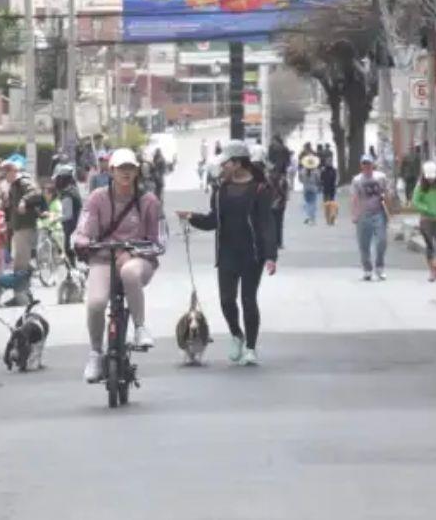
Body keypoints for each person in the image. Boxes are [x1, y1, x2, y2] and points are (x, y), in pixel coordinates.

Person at [177, 140, 278, 366]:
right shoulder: (221, 190)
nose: (223, 168)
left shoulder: (260, 189)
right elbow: (214, 220)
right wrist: (191, 217)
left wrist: (270, 255)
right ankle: (236, 334)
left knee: (248, 300)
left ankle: (250, 347)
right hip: (227, 253)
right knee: (226, 300)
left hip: (253, 255)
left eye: (226, 163)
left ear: (238, 162)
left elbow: (266, 224)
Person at [72, 148, 165, 382]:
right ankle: (95, 353)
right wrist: (82, 242)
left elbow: (160, 241)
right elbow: (83, 230)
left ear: (137, 171)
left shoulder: (149, 201)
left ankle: (140, 327)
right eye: (121, 168)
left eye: (130, 168)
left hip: (138, 260)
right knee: (95, 303)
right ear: (111, 171)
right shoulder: (97, 198)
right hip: (103, 259)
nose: (126, 172)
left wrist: (132, 251)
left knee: (129, 272)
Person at [1, 156, 45, 294]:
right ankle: (23, 290)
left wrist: (24, 201)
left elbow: (36, 192)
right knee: (21, 261)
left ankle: (20, 293)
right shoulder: (13, 186)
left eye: (5, 173)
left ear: (12, 171)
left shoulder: (22, 181)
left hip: (25, 226)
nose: (4, 177)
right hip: (19, 227)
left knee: (20, 262)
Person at [351, 154, 392, 281]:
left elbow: (387, 192)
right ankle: (367, 269)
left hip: (378, 212)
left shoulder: (380, 177)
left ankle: (379, 267)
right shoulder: (357, 180)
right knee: (364, 244)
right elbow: (355, 198)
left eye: (369, 163)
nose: (367, 166)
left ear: (372, 164)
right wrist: (355, 214)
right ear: (361, 165)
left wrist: (389, 208)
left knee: (381, 241)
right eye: (364, 164)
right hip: (364, 214)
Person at [412, 161, 436, 282]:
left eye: (432, 177)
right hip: (426, 219)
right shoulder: (420, 186)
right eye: (428, 178)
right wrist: (426, 208)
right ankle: (432, 271)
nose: (430, 180)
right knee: (430, 246)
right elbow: (415, 201)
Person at [53, 163, 83, 264]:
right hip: (74, 228)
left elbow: (68, 215)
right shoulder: (74, 190)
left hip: (69, 229)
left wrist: (54, 219)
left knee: (66, 253)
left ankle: (70, 275)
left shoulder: (68, 194)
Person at [268, 159, 290, 249]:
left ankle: (272, 242)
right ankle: (279, 243)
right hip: (280, 204)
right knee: (279, 224)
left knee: (271, 224)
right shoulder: (283, 180)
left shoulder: (268, 179)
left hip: (270, 203)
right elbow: (285, 194)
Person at [298, 154, 321, 225]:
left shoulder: (302, 171)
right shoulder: (316, 171)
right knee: (313, 203)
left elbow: (300, 180)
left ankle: (308, 216)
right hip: (313, 188)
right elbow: (318, 180)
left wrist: (304, 182)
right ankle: (312, 218)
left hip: (306, 188)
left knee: (307, 203)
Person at [321, 156, 339, 225]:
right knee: (332, 204)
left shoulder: (324, 170)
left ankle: (328, 218)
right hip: (331, 189)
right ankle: (332, 215)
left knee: (327, 205)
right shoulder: (334, 170)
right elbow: (336, 179)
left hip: (326, 189)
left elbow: (321, 179)